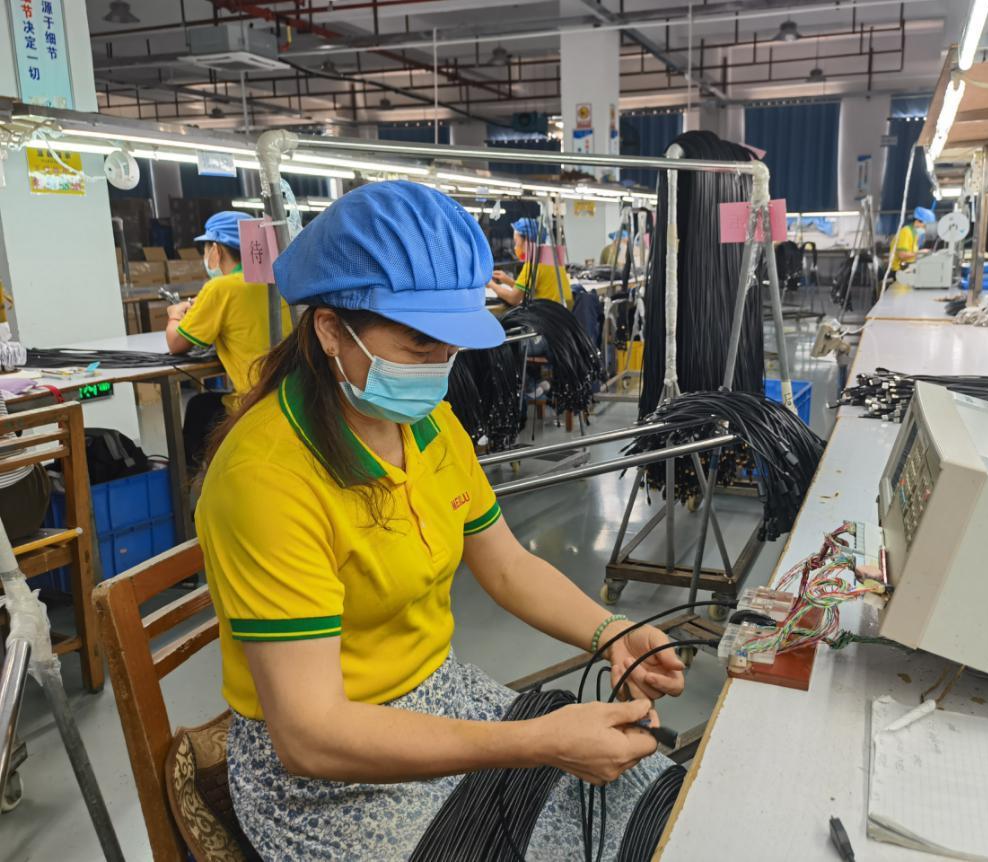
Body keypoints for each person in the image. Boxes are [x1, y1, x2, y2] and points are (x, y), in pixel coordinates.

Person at [196, 181, 684, 860]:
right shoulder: (267, 480)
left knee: (651, 802)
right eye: (419, 344)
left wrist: (613, 633)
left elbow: (506, 567)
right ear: (330, 329)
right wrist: (534, 743)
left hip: (442, 696)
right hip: (326, 778)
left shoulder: (428, 425)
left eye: (451, 346)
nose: (440, 368)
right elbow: (309, 735)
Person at [166, 211, 293, 469]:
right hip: (293, 395)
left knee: (199, 408)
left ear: (216, 249)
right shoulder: (280, 280)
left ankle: (194, 482)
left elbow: (177, 344)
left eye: (206, 248)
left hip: (254, 402)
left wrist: (175, 315)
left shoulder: (221, 288)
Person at [488, 217, 573, 308]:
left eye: (516, 241)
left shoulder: (534, 263)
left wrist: (490, 283)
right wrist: (508, 281)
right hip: (562, 312)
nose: (515, 247)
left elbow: (514, 299)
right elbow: (526, 290)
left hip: (548, 314)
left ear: (527, 240)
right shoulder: (550, 257)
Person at [889, 206, 936, 275]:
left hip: (907, 268)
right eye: (924, 226)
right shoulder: (906, 232)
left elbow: (911, 253)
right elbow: (902, 255)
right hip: (899, 271)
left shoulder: (914, 234)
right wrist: (920, 252)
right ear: (917, 222)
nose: (925, 229)